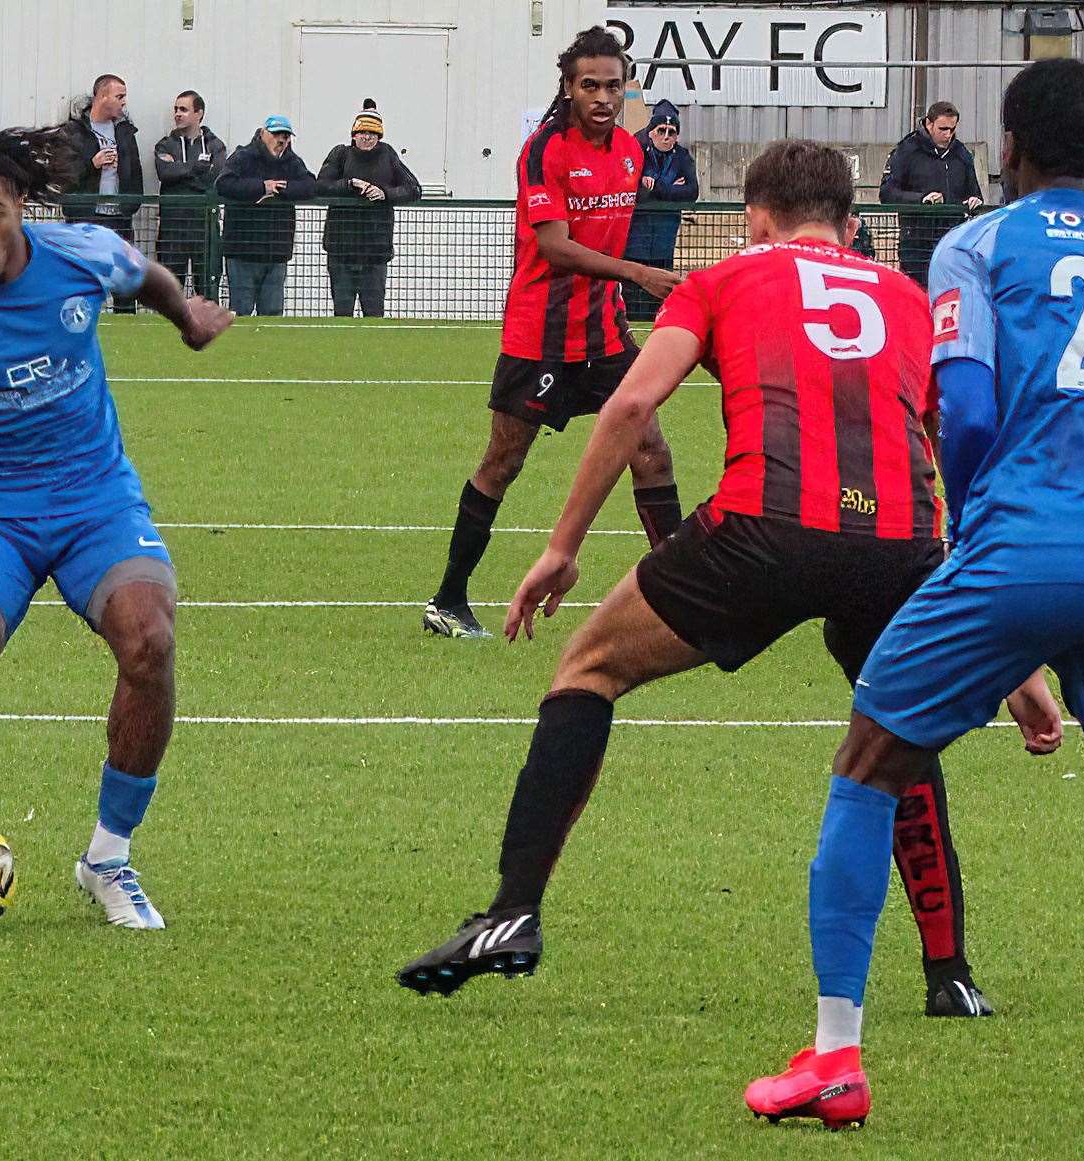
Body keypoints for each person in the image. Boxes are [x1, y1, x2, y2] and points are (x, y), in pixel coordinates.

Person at [399, 139, 1010, 1021]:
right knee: (898, 732)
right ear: (853, 225)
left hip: (765, 529)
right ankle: (949, 972)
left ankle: (512, 913)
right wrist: (1010, 651)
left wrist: (564, 544)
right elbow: (949, 441)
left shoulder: (728, 276)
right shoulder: (910, 298)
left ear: (756, 218)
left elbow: (633, 405)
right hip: (899, 542)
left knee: (587, 669)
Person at [747, 59, 1084, 1132]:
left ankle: (834, 1056)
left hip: (1011, 553)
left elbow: (959, 414)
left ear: (1006, 147)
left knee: (868, 765)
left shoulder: (979, 243)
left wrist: (975, 533)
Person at [0, 128, 234, 929]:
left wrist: (187, 318)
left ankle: (107, 857)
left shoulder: (85, 253)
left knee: (150, 640)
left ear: (20, 204)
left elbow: (150, 276)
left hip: (98, 498)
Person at [421, 27, 684, 640]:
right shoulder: (544, 151)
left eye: (613, 86)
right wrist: (638, 272)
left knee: (651, 451)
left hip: (606, 336)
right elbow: (555, 248)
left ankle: (681, 602)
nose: (603, 97)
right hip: (539, 335)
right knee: (503, 461)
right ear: (568, 88)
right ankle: (447, 600)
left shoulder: (631, 150)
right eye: (589, 85)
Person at [314, 100, 420, 317]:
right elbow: (321, 186)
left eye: (372, 133)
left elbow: (413, 188)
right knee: (342, 315)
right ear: (354, 134)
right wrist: (349, 183)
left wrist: (385, 193)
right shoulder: (340, 154)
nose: (367, 137)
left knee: (374, 316)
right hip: (340, 251)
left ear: (379, 137)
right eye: (362, 132)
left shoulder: (388, 155)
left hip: (375, 253)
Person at [216, 114, 315, 316]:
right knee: (241, 312)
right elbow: (223, 183)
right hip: (242, 250)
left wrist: (283, 189)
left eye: (286, 136)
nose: (282, 140)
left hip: (276, 251)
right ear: (263, 133)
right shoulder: (242, 156)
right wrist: (262, 187)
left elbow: (311, 185)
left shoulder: (292, 162)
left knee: (272, 314)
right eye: (277, 134)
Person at [880, 101, 984, 285]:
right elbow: (887, 193)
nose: (948, 135)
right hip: (917, 244)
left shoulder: (961, 154)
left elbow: (974, 192)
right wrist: (921, 200)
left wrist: (974, 201)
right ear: (929, 124)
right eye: (943, 128)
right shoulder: (907, 150)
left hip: (952, 242)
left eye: (952, 129)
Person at [622, 98, 698, 321]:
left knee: (659, 298)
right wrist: (670, 189)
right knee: (632, 298)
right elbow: (632, 188)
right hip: (634, 241)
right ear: (652, 131)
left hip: (664, 241)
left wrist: (657, 186)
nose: (666, 137)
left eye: (671, 132)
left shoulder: (683, 157)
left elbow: (691, 192)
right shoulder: (635, 149)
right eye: (661, 130)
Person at [154, 90, 226, 294]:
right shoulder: (165, 144)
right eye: (176, 109)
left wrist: (180, 169)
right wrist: (196, 168)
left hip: (205, 229)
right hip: (172, 229)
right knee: (169, 292)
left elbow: (215, 178)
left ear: (199, 114)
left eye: (183, 109)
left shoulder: (215, 145)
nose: (177, 114)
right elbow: (164, 172)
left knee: (207, 291)